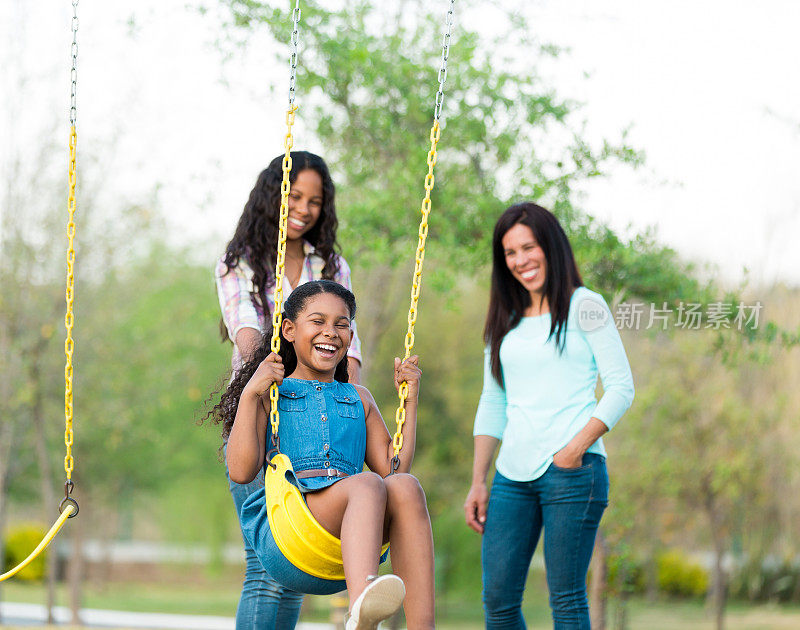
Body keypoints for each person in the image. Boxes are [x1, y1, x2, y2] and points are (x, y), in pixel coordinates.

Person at [210, 280, 435, 630]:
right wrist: (253, 391)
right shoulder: (274, 393)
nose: (330, 332)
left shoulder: (359, 398)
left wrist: (410, 399)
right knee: (367, 485)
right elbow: (240, 472)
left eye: (341, 324)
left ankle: (423, 626)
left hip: (349, 528)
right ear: (289, 329)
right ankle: (363, 608)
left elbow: (395, 470)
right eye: (318, 321)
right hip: (292, 527)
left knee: (406, 486)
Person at [463, 202, 634, 630]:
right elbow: (493, 401)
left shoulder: (586, 305)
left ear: (550, 246)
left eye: (529, 247)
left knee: (567, 602)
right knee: (498, 604)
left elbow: (620, 387)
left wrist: (574, 449)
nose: (521, 260)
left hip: (573, 472)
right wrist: (479, 480)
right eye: (510, 252)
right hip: (510, 477)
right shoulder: (503, 320)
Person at [215, 152, 362, 629]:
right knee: (265, 565)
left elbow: (348, 340)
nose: (303, 208)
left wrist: (355, 405)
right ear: (270, 198)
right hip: (266, 412)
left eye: (314, 201)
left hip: (322, 419)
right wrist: (279, 367)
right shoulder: (239, 262)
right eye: (293, 196)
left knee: (296, 561)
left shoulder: (330, 263)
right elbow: (247, 332)